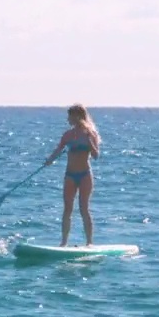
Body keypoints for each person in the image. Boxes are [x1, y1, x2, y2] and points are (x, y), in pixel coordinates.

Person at [44, 103, 101, 246]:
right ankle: (63, 243)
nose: (68, 119)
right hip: (70, 175)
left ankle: (89, 243)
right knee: (67, 209)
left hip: (85, 175)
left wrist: (89, 142)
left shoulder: (90, 134)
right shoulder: (68, 135)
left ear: (77, 116)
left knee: (84, 209)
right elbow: (58, 150)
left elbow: (95, 156)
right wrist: (49, 160)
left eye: (69, 116)